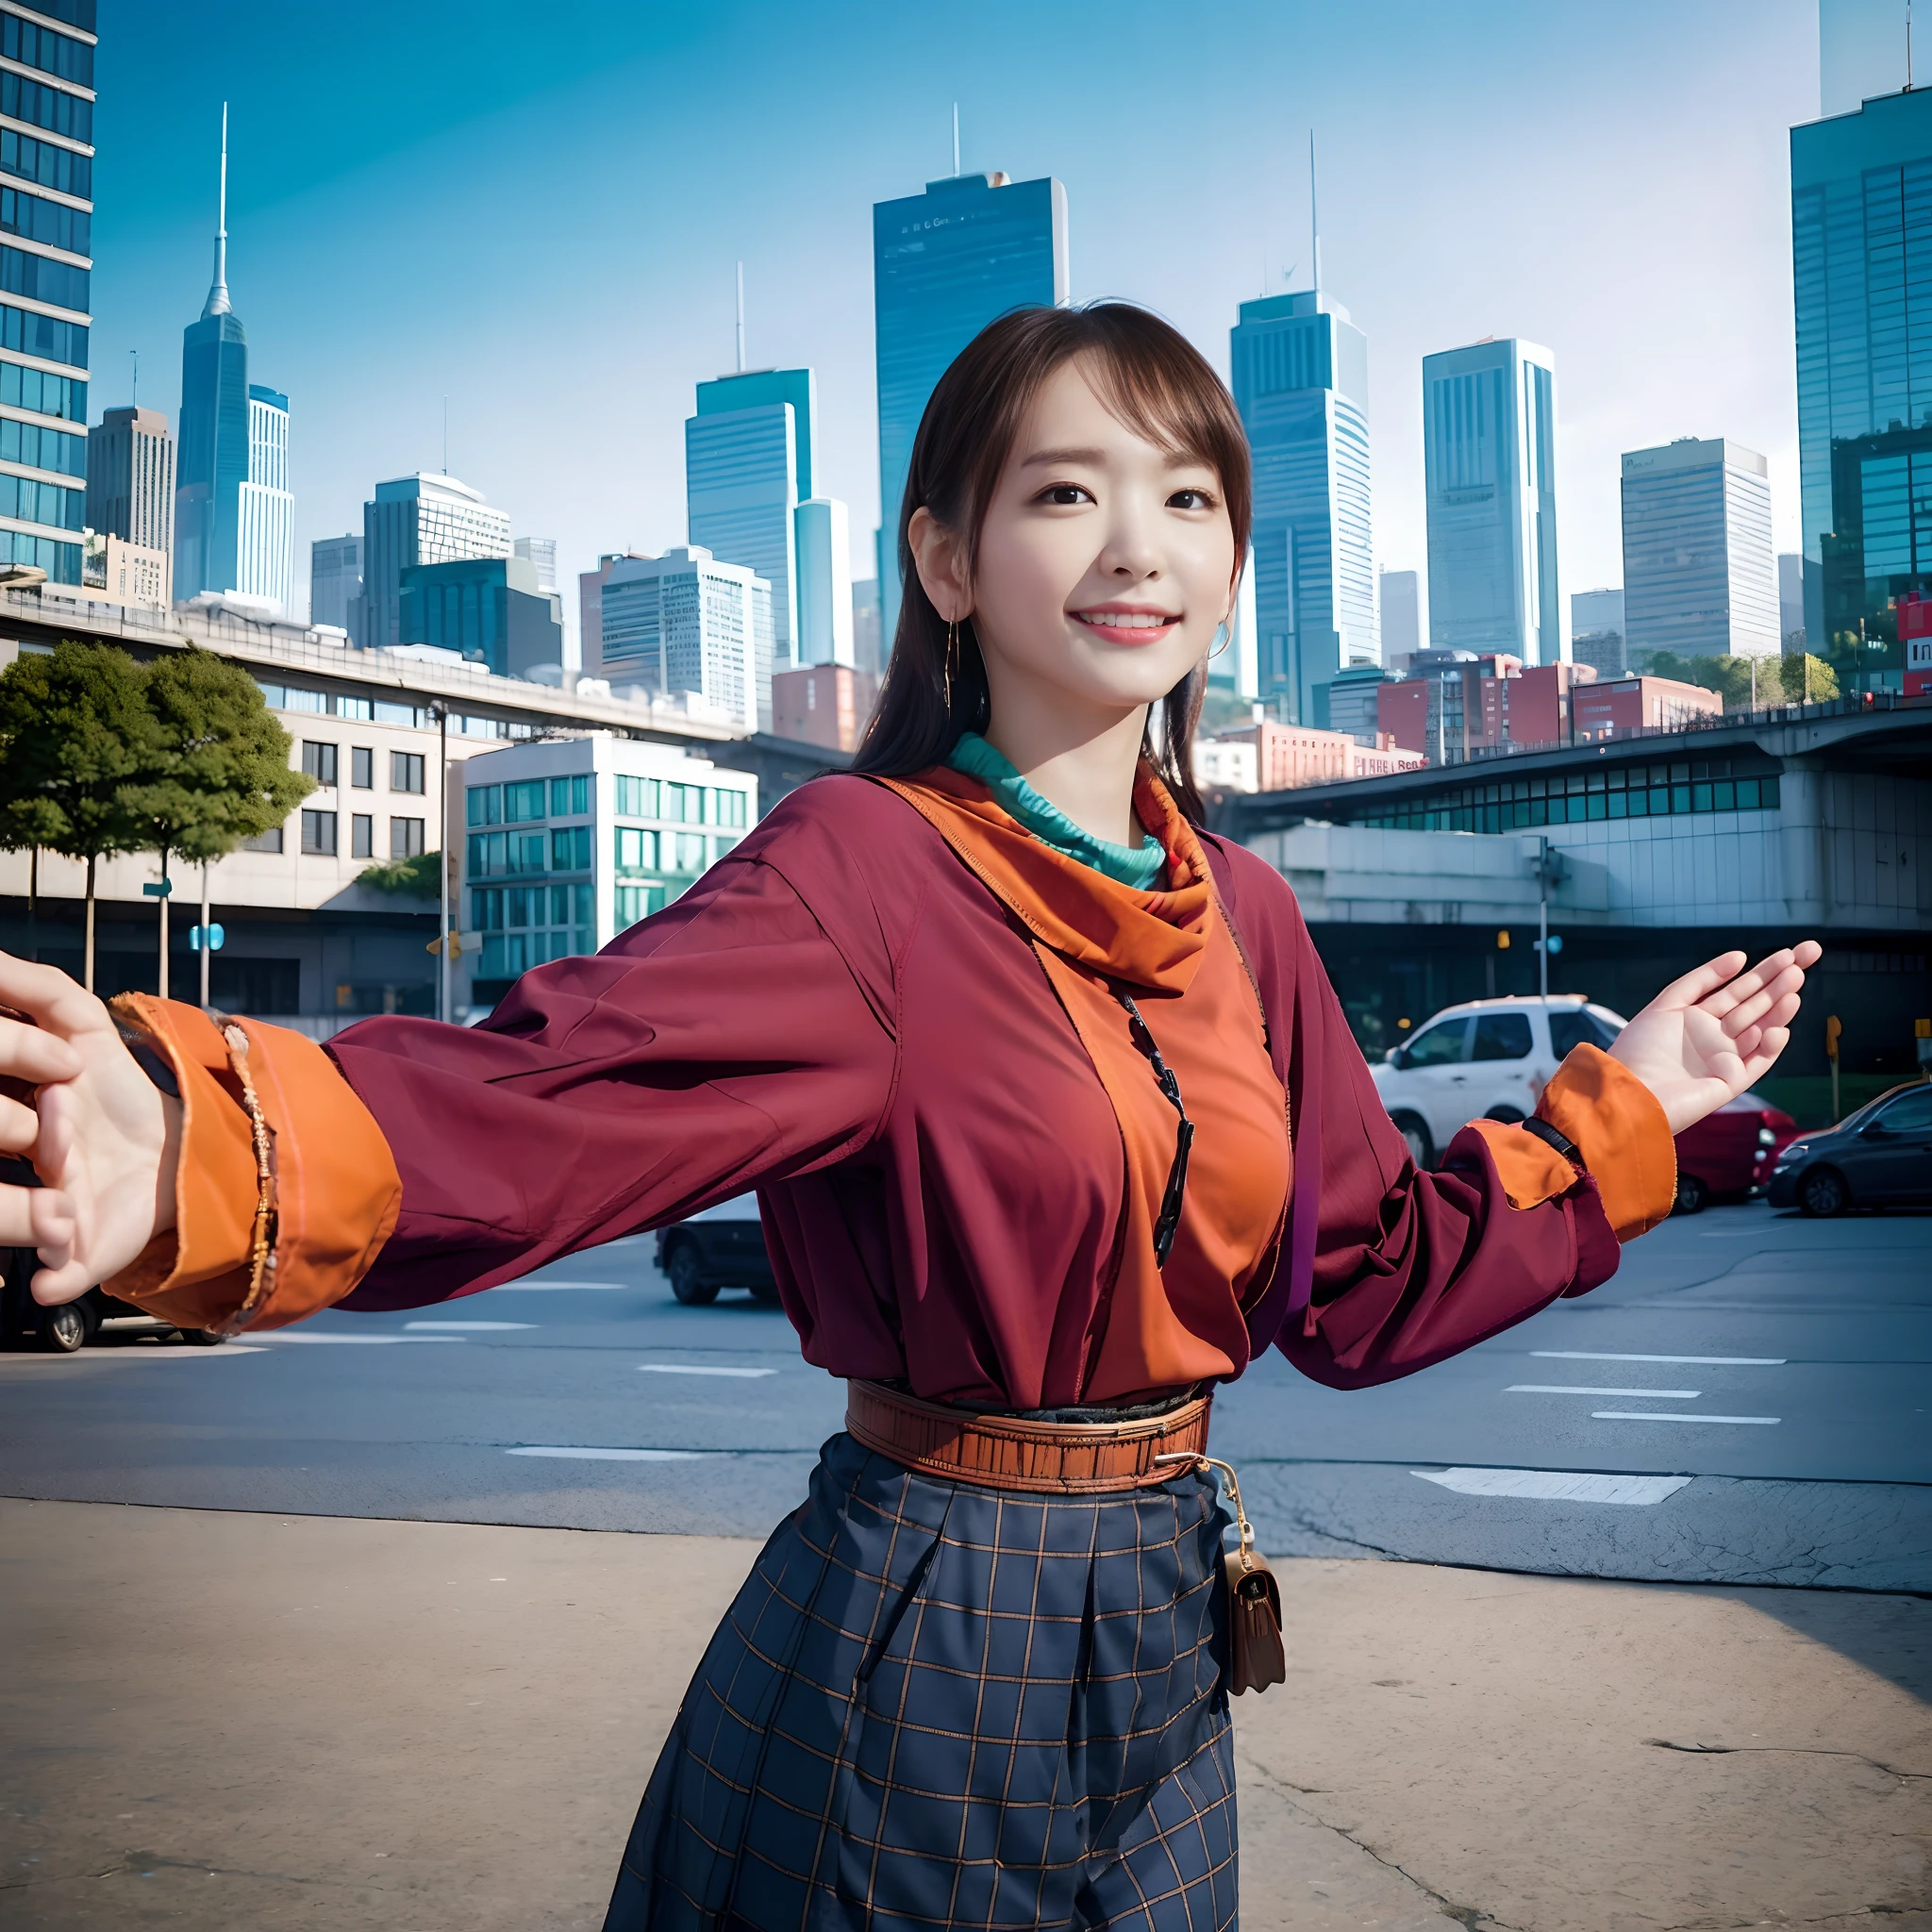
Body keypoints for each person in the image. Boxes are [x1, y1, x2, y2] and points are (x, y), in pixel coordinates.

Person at [0, 303, 1819, 1932]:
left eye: (1191, 500)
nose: (1139, 549)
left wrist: (1623, 1112)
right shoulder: (867, 871)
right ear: (945, 559)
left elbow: (1357, 1278)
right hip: (929, 1621)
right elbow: (553, 1099)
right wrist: (180, 1142)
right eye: (1066, 496)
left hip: (1170, 1631)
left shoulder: (1245, 914)